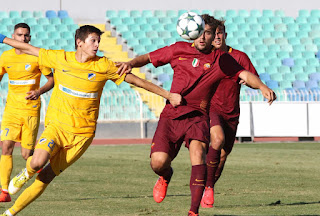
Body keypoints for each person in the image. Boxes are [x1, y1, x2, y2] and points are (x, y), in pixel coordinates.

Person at [0, 25, 182, 216]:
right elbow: (30, 49)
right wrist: (3, 38)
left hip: (82, 136)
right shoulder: (60, 58)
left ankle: (10, 213)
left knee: (46, 176)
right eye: (93, 41)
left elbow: (136, 80)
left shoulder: (104, 66)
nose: (97, 45)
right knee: (37, 162)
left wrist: (167, 95)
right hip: (57, 127)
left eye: (98, 41)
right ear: (79, 42)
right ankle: (25, 173)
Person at [117, 14, 276, 216]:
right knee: (158, 163)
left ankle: (194, 211)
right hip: (171, 116)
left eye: (207, 33)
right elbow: (148, 58)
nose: (202, 37)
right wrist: (131, 63)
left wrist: (262, 86)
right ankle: (165, 176)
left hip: (199, 116)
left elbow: (244, 75)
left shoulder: (222, 59)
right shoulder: (177, 49)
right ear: (192, 34)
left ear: (213, 36)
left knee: (198, 155)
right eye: (200, 33)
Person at [200, 18, 261, 208]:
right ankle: (207, 187)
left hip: (232, 113)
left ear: (225, 36)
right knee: (216, 140)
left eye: (220, 33)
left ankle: (206, 187)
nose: (217, 36)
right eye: (213, 33)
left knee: (223, 155)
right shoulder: (206, 56)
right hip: (211, 108)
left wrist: (249, 81)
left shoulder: (239, 57)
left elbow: (254, 79)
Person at [0, 23, 54, 203]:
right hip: (11, 111)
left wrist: (39, 92)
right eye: (19, 35)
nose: (23, 38)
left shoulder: (37, 57)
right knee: (6, 147)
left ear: (29, 38)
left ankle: (34, 170)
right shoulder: (5, 57)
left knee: (26, 155)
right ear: (13, 36)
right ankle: (4, 191)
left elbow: (51, 80)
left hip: (30, 110)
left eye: (26, 36)